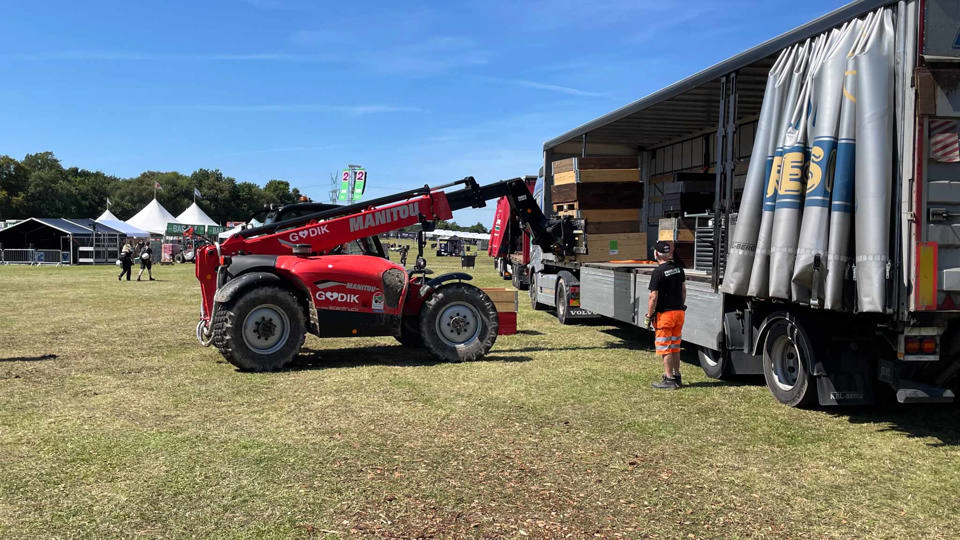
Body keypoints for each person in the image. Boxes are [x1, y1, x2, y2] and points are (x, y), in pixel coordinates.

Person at [644, 241, 686, 389]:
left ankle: (669, 379)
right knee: (675, 346)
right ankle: (677, 375)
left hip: (665, 316)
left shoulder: (658, 272)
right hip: (679, 313)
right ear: (669, 254)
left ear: (656, 254)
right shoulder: (678, 269)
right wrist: (680, 305)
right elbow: (683, 290)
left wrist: (649, 315)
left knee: (665, 347)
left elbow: (653, 297)